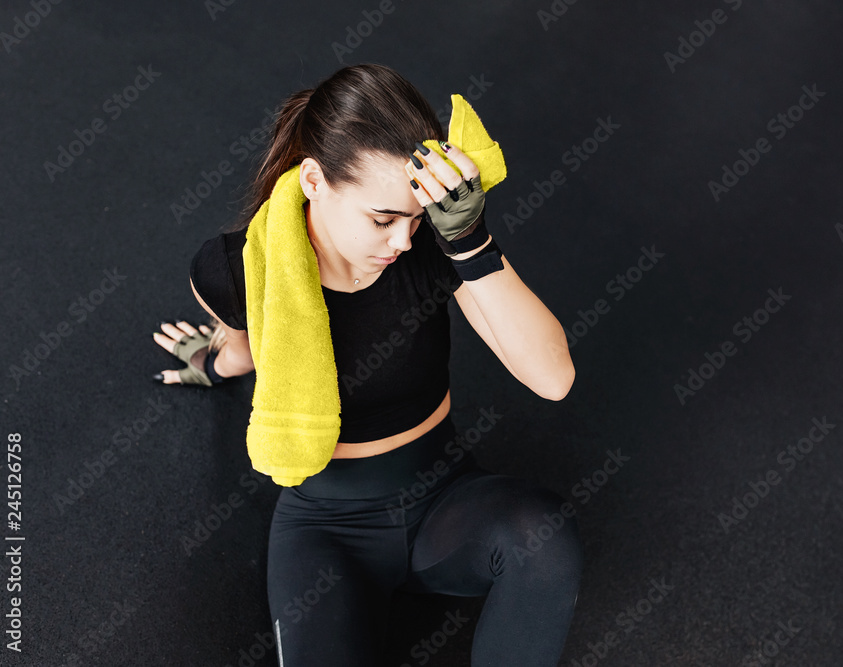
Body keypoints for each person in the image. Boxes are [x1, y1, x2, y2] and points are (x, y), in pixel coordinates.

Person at [151, 63, 582, 666]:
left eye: (415, 218)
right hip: (325, 529)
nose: (402, 240)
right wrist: (216, 363)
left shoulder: (433, 245)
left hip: (444, 498)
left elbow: (552, 378)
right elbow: (253, 341)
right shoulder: (233, 267)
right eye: (382, 219)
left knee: (544, 539)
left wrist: (470, 243)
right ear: (314, 180)